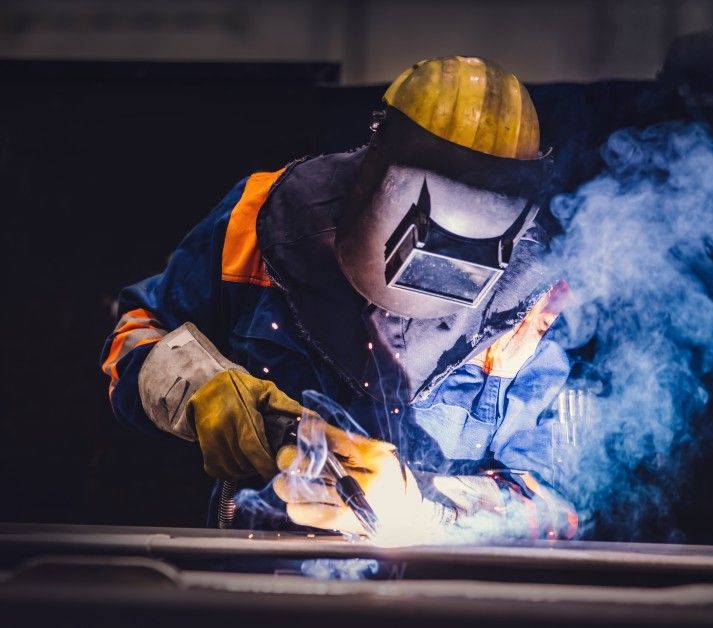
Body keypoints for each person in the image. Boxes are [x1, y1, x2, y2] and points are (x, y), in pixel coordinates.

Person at [100, 56, 577, 540]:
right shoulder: (260, 218)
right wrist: (204, 390)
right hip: (258, 579)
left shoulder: (538, 302)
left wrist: (430, 510)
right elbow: (135, 334)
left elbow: (562, 503)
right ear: (379, 160)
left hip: (443, 597)